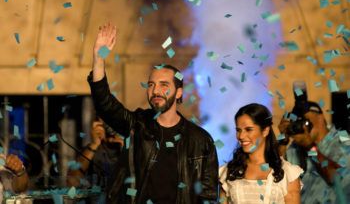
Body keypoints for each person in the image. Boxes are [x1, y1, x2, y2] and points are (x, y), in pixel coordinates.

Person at [87, 23, 219, 203]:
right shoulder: (137, 125)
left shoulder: (200, 140)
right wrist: (98, 58)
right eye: (151, 85)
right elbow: (105, 104)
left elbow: (209, 196)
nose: (155, 91)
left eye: (164, 85)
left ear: (179, 92)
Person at [219, 103, 302, 204]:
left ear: (265, 131)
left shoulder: (288, 173)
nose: (241, 136)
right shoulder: (229, 171)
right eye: (238, 130)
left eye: (248, 129)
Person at [278, 101, 350, 204]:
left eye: (304, 121)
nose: (302, 126)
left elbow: (335, 177)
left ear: (320, 117)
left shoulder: (344, 142)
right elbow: (275, 177)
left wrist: (310, 147)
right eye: (297, 122)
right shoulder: (295, 148)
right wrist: (282, 142)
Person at [67, 117, 123, 189]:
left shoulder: (135, 150)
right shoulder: (90, 151)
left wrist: (125, 147)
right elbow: (70, 184)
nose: (111, 129)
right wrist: (94, 144)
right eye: (107, 123)